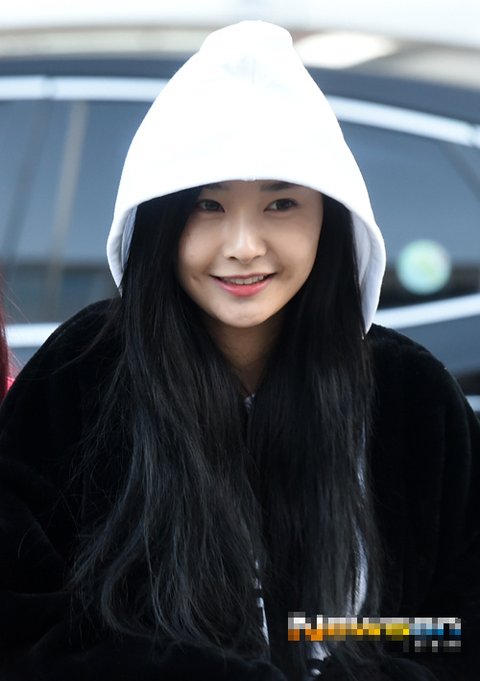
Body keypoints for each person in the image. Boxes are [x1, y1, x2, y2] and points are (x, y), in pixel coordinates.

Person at [0, 21, 478, 681]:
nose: (245, 245)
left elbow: (452, 632)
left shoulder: (411, 395)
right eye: (208, 205)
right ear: (159, 219)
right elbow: (22, 623)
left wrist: (343, 657)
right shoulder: (80, 376)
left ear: (331, 218)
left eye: (281, 203)